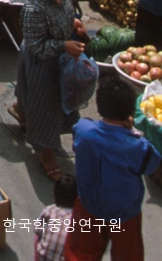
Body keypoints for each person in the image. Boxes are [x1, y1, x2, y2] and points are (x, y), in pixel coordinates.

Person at [64, 74, 161, 260]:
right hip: (123, 216)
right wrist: (131, 131)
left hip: (88, 208)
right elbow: (152, 166)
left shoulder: (83, 130)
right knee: (127, 255)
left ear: (99, 106)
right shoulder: (137, 146)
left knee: (80, 254)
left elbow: (82, 130)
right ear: (130, 112)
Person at [13, 0, 87, 180]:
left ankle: (20, 110)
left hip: (62, 63)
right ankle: (46, 153)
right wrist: (64, 46)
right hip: (41, 66)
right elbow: (37, 47)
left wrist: (73, 22)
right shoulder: (34, 9)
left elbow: (65, 11)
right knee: (44, 108)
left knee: (59, 102)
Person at [34, 174, 77, 261]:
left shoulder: (49, 210)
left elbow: (37, 231)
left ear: (54, 195)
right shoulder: (78, 218)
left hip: (43, 257)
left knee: (38, 235)